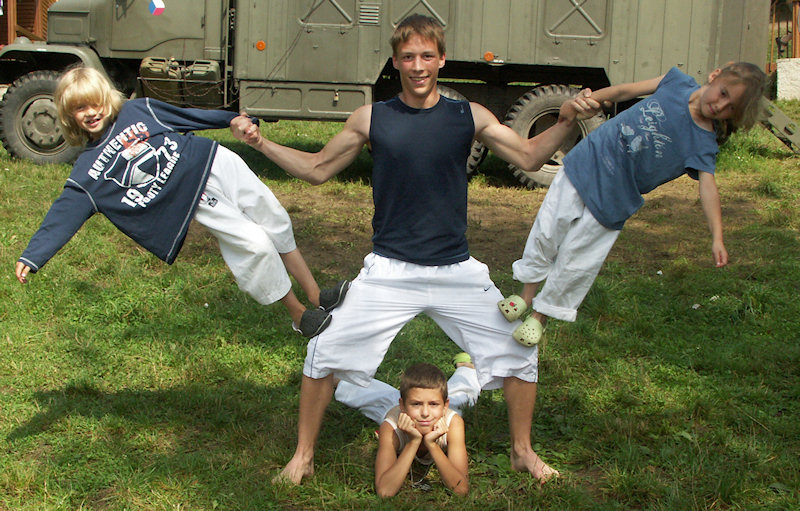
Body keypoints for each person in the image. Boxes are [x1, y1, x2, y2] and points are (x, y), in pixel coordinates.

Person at [230, 14, 602, 484]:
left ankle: (522, 452)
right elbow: (317, 169)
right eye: (408, 57)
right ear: (395, 61)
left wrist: (566, 120)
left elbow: (529, 157)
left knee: (519, 352)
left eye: (427, 56)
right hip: (390, 270)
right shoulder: (373, 117)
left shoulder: (469, 116)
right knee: (323, 352)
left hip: (456, 270)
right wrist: (261, 141)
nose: (418, 66)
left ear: (442, 59)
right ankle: (303, 457)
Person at [14, 66, 350, 337]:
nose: (90, 113)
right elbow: (63, 213)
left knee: (273, 216)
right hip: (198, 199)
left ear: (107, 98)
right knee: (255, 245)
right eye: (79, 108)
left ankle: (315, 294)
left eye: (94, 103)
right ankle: (299, 315)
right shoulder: (88, 172)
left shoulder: (138, 110)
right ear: (68, 115)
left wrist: (231, 120)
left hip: (216, 161)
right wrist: (34, 255)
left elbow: (187, 115)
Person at [498, 62, 767, 346]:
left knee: (577, 261)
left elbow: (708, 188)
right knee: (547, 231)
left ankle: (539, 317)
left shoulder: (703, 143)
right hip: (587, 163)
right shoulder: (677, 82)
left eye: (730, 109)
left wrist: (717, 237)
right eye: (723, 94)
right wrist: (591, 99)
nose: (720, 106)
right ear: (715, 76)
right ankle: (525, 296)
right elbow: (625, 90)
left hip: (616, 198)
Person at [335, 353, 479, 497]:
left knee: (463, 395)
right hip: (396, 409)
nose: (425, 413)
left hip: (428, 408)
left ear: (445, 406)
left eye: (434, 404)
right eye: (416, 404)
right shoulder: (391, 427)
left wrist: (432, 445)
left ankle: (466, 367)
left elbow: (461, 489)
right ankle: (330, 375)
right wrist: (413, 442)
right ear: (402, 405)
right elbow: (385, 491)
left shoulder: (452, 423)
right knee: (364, 391)